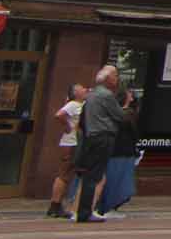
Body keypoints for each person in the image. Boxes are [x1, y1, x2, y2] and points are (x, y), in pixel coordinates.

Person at [73, 66, 123, 225]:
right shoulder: (106, 95)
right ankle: (86, 212)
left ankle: (83, 211)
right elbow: (120, 116)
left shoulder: (92, 94)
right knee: (94, 176)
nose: (117, 79)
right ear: (107, 79)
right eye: (115, 75)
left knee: (89, 175)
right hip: (103, 137)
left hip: (91, 137)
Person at [94, 90, 140, 220]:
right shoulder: (128, 114)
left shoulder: (111, 113)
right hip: (123, 151)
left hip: (112, 149)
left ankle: (104, 206)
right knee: (119, 180)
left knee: (111, 178)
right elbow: (134, 132)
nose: (132, 97)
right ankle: (109, 206)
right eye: (130, 95)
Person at [46, 83, 87, 220]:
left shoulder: (80, 104)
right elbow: (59, 115)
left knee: (67, 174)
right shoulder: (74, 104)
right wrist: (68, 125)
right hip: (71, 142)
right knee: (64, 173)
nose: (85, 89)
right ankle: (55, 205)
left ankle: (57, 205)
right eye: (82, 88)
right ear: (75, 92)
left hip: (74, 142)